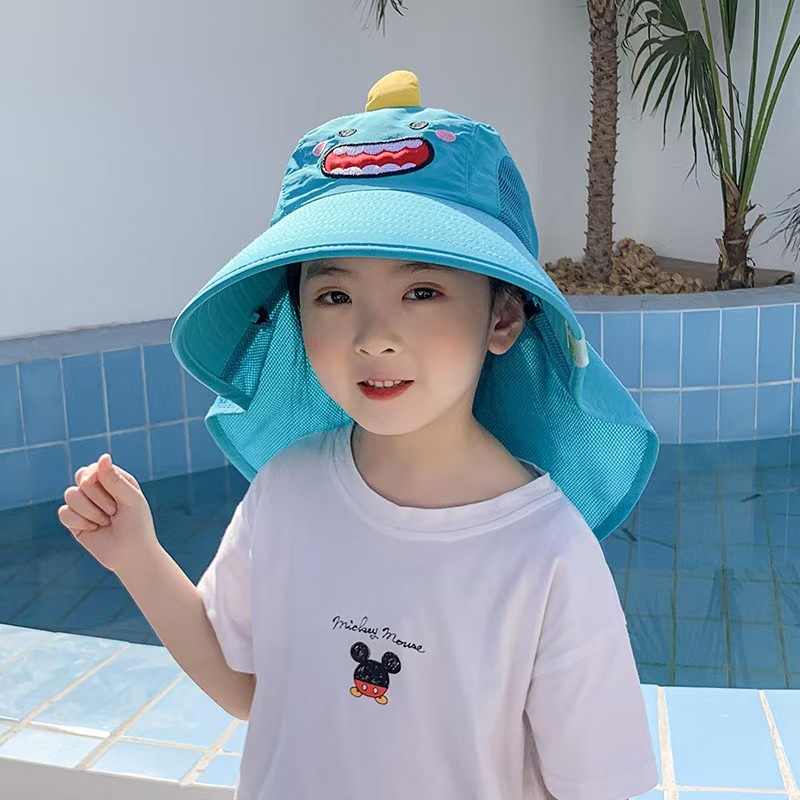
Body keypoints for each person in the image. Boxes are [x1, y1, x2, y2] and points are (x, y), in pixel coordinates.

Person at [59, 70, 661, 800]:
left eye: (422, 291)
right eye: (336, 295)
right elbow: (249, 687)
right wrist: (137, 556)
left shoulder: (545, 554)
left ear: (503, 316)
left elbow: (596, 787)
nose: (374, 337)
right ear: (297, 315)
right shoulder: (288, 488)